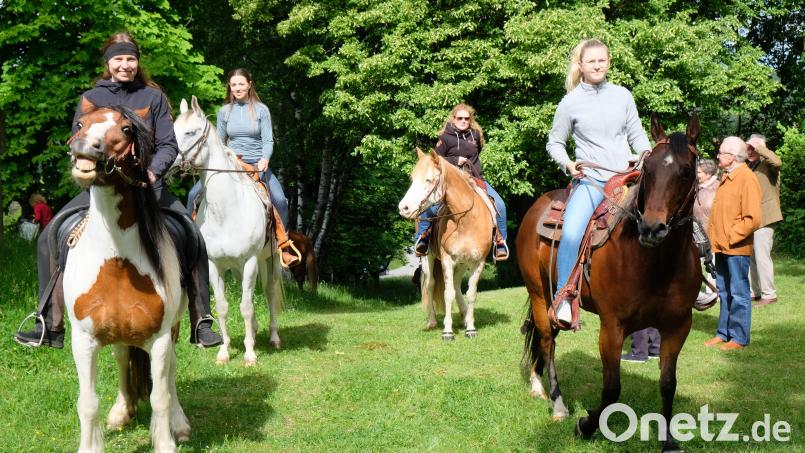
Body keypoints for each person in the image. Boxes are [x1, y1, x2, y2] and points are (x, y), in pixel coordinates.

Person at [14, 32, 222, 349]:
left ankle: (201, 318)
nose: (125, 65)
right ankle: (49, 322)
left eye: (131, 59)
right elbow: (77, 142)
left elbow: (168, 145)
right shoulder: (90, 98)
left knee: (193, 235)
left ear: (137, 62)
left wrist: (154, 173)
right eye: (119, 59)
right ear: (108, 62)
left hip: (148, 188)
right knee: (47, 238)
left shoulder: (153, 97)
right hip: (100, 187)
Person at [545, 39, 652, 325]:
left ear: (609, 61)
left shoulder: (623, 95)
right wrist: (568, 163)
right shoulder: (570, 103)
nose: (597, 65)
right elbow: (554, 142)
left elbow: (637, 134)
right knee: (570, 233)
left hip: (627, 177)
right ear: (580, 65)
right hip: (592, 181)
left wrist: (644, 154)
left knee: (665, 213)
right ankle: (564, 297)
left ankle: (695, 283)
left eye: (601, 60)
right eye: (591, 61)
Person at [187, 68, 299, 267]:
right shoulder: (224, 112)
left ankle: (283, 244)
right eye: (233, 85)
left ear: (249, 84)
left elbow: (268, 140)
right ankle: (190, 242)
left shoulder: (261, 110)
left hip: (256, 164)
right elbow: (219, 142)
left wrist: (265, 158)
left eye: (241, 84)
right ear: (229, 87)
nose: (237, 88)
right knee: (192, 195)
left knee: (280, 200)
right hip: (232, 164)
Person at [414, 103, 509, 261]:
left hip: (474, 178)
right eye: (460, 118)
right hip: (450, 182)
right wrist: (454, 160)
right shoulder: (445, 137)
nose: (463, 121)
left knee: (500, 205)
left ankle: (500, 241)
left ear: (470, 119)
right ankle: (423, 236)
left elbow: (477, 153)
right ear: (454, 119)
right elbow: (436, 160)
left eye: (467, 118)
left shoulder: (475, 135)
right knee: (430, 204)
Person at [704, 137, 761, 351]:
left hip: (735, 247)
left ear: (732, 156)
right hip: (720, 246)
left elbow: (752, 218)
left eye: (720, 152)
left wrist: (730, 237)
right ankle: (723, 333)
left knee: (738, 292)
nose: (717, 155)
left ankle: (739, 338)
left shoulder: (747, 178)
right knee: (725, 291)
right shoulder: (727, 177)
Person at [745, 134, 782, 308]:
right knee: (751, 257)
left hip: (766, 217)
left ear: (761, 148)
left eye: (753, 148)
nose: (750, 151)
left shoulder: (768, 164)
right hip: (752, 218)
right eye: (748, 148)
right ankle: (755, 292)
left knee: (762, 256)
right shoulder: (750, 166)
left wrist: (759, 147)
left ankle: (769, 294)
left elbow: (778, 161)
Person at [693, 159, 719, 306]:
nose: (696, 175)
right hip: (694, 234)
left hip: (712, 234)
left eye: (699, 173)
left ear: (708, 174)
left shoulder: (718, 187)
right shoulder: (694, 187)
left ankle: (713, 293)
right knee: (693, 266)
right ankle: (696, 292)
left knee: (712, 266)